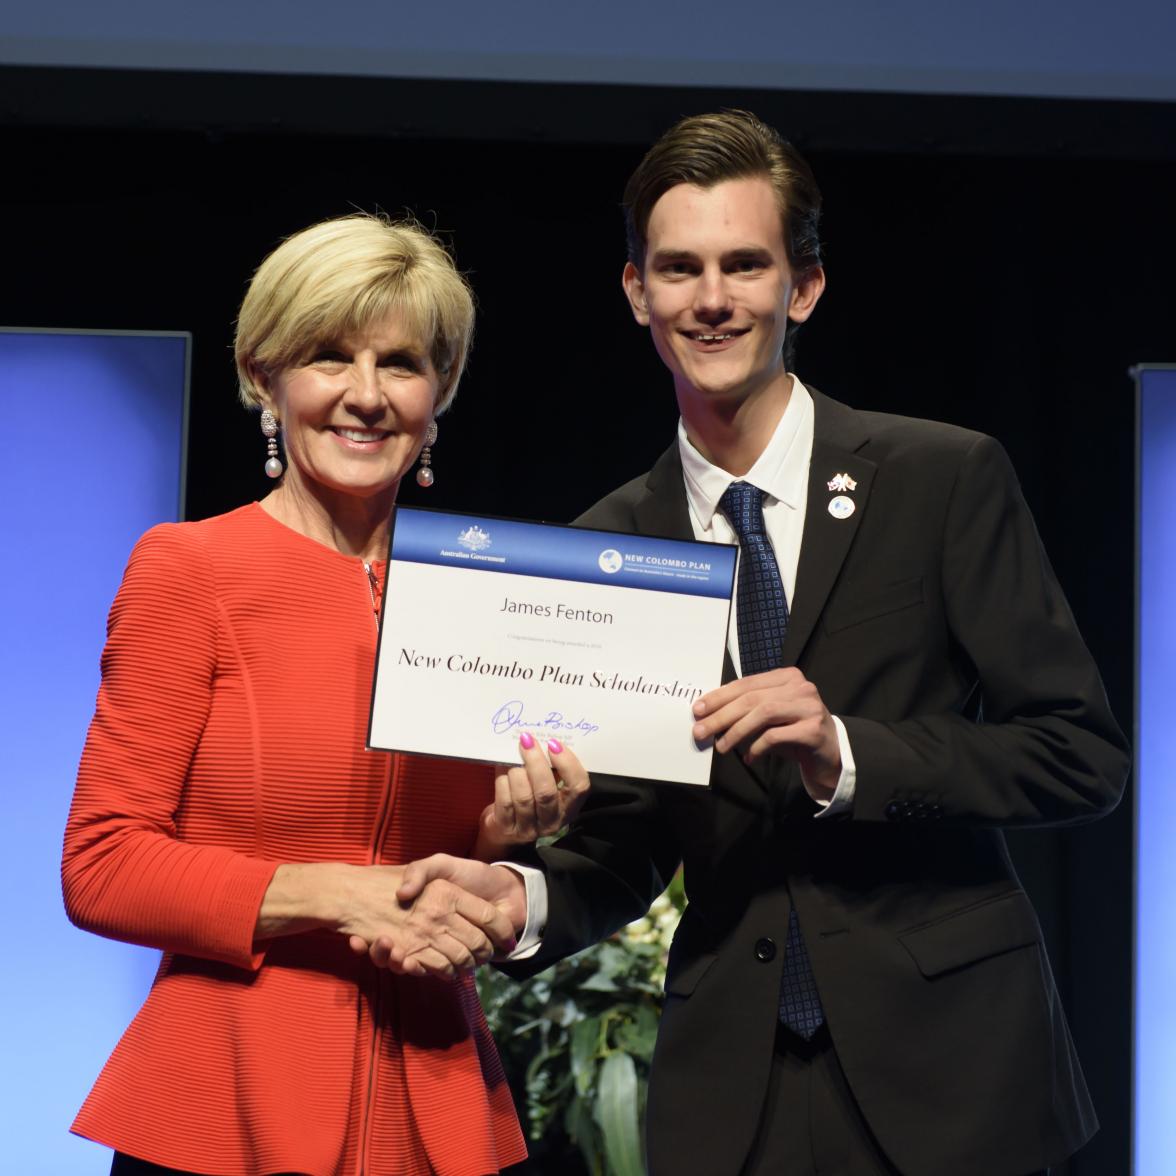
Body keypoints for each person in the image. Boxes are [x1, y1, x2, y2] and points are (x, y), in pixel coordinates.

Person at [400, 112, 1130, 1175]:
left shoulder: (939, 478)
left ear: (804, 287)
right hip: (732, 1091)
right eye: (680, 268)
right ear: (636, 293)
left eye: (746, 264)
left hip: (959, 1076)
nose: (712, 298)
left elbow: (1080, 753)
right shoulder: (603, 547)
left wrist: (848, 750)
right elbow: (629, 839)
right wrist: (526, 898)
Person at [61, 213, 588, 1176]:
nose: (365, 395)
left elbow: (441, 874)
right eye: (328, 356)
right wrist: (343, 897)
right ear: (265, 377)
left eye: (400, 363)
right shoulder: (190, 569)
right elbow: (101, 866)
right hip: (226, 1101)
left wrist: (507, 838)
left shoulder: (488, 598)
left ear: (442, 393)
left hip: (433, 1102)